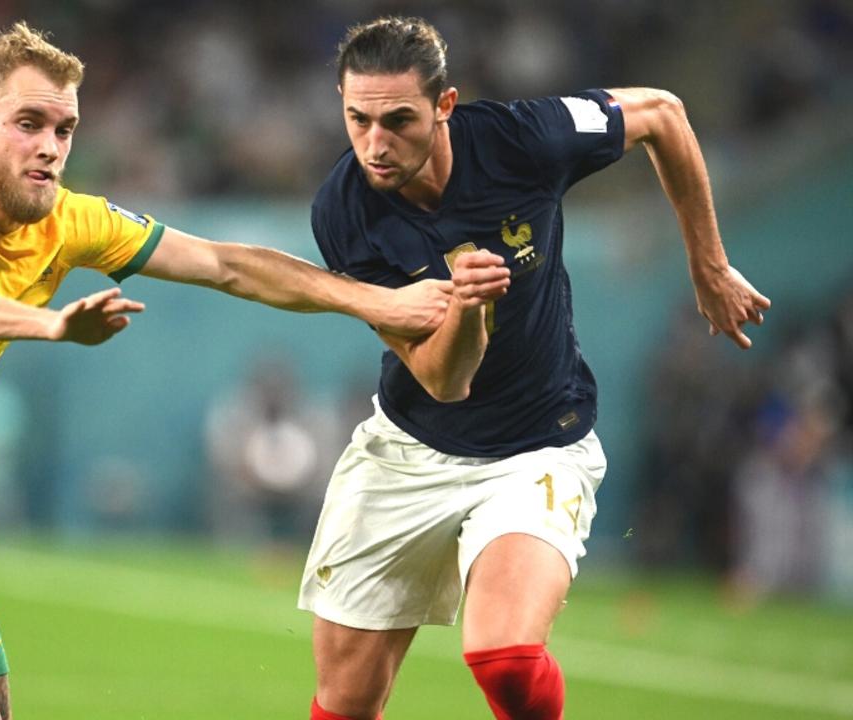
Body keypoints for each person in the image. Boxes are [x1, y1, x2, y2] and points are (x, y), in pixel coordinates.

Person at [0, 22, 451, 720]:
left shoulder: (67, 223)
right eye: (28, 124)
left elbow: (224, 265)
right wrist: (52, 324)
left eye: (64, 129)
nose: (50, 148)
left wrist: (379, 300)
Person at [296, 17, 772, 720]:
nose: (375, 143)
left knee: (507, 663)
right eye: (357, 119)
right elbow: (439, 378)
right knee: (347, 700)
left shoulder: (527, 138)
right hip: (409, 446)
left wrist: (707, 263)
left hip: (538, 445)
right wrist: (467, 311)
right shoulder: (344, 210)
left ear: (445, 106)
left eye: (398, 120)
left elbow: (664, 115)